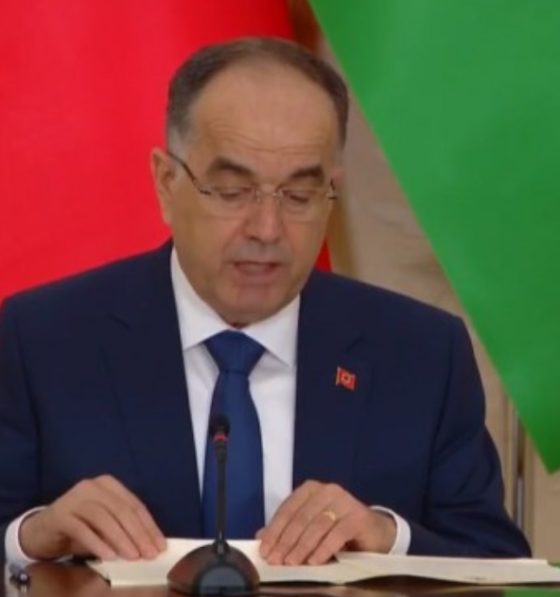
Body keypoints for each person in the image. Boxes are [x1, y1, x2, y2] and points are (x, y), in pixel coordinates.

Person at [0, 37, 530, 566]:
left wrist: (388, 536)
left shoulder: (422, 354)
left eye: (299, 196)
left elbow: (497, 562)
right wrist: (28, 538)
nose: (267, 229)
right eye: (233, 192)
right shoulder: (43, 340)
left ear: (332, 193)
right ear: (166, 183)